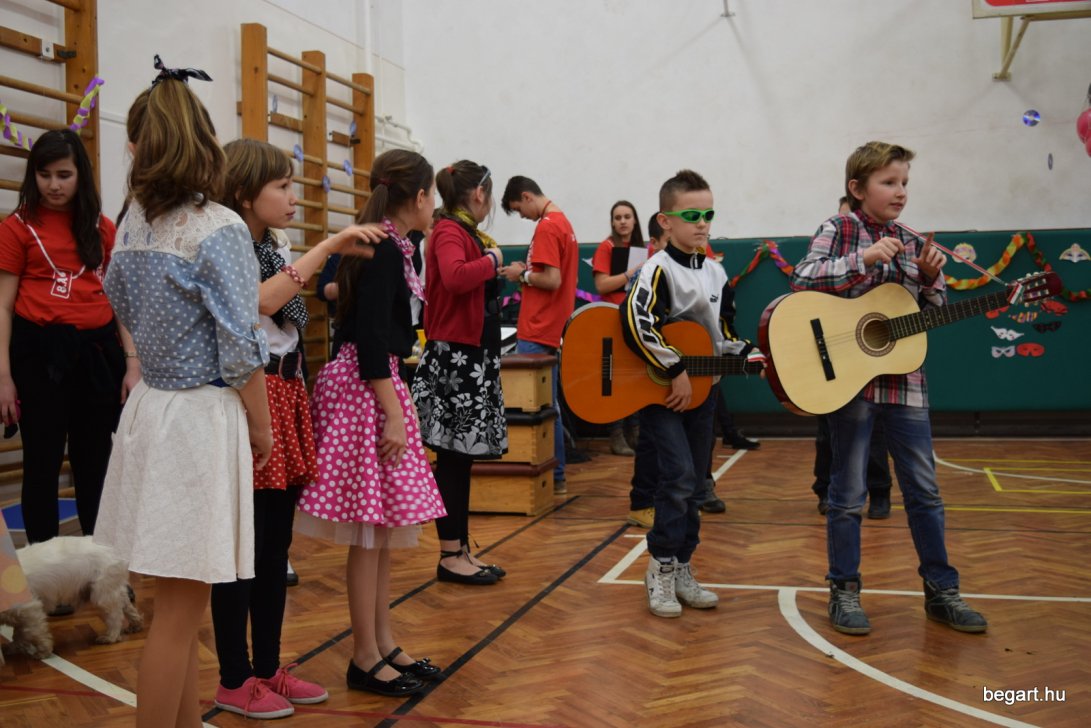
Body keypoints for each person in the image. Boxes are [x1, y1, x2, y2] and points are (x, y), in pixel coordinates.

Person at [92, 61, 273, 728]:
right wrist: (262, 427)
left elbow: (118, 302)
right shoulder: (218, 226)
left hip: (154, 408)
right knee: (177, 613)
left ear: (140, 144)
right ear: (203, 139)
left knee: (180, 601)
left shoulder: (132, 223)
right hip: (199, 416)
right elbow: (240, 348)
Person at [210, 138, 386, 717]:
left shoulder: (274, 245)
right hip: (249, 396)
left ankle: (266, 668)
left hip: (285, 393)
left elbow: (284, 319)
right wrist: (329, 246)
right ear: (244, 193)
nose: (292, 197)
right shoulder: (227, 244)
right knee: (245, 547)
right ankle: (234, 678)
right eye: (281, 186)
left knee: (274, 548)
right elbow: (263, 302)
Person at [790, 141, 986, 636]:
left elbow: (930, 313)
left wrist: (931, 279)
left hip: (906, 384)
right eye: (889, 182)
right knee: (847, 493)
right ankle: (844, 591)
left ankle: (942, 592)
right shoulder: (839, 229)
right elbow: (802, 277)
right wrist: (863, 257)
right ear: (857, 189)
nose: (900, 192)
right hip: (851, 384)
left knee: (925, 491)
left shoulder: (912, 239)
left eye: (904, 183)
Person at [295, 149, 447, 698]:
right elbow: (370, 343)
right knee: (367, 534)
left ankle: (383, 643)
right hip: (369, 388)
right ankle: (364, 656)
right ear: (420, 196)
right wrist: (394, 415)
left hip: (376, 384)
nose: (434, 206)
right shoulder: (382, 249)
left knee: (379, 533)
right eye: (432, 197)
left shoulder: (392, 245)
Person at [621, 170, 762, 618]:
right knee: (679, 476)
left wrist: (750, 354)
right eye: (692, 216)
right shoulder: (656, 270)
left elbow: (722, 334)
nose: (702, 224)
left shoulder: (717, 272)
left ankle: (683, 566)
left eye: (708, 215)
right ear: (665, 221)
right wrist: (675, 367)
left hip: (706, 393)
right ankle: (660, 567)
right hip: (662, 394)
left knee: (697, 483)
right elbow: (637, 322)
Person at [0, 129, 138, 548]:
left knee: (95, 464)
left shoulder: (102, 228)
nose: (54, 185)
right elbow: (3, 306)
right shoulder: (17, 228)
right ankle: (44, 569)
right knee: (41, 464)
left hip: (97, 355)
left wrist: (132, 363)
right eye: (44, 175)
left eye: (64, 175)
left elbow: (119, 302)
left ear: (81, 176)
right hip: (39, 357)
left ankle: (100, 566)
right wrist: (4, 377)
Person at [411, 160, 507, 586]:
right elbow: (454, 277)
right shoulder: (450, 230)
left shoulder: (462, 231)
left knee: (460, 459)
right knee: (452, 460)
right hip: (456, 361)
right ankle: (450, 554)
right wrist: (492, 259)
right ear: (479, 193)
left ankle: (461, 548)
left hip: (471, 357)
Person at [810, 196, 893, 519]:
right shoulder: (829, 251)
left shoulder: (885, 251)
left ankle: (880, 491)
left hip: (868, 358)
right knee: (827, 432)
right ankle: (825, 490)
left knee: (875, 429)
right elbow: (807, 286)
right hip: (830, 352)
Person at [499, 176, 578, 494]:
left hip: (539, 326)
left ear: (527, 196)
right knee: (548, 403)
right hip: (549, 325)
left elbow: (552, 280)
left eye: (520, 209)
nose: (523, 216)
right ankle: (555, 474)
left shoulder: (547, 226)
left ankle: (554, 474)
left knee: (541, 405)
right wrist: (528, 273)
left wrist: (522, 274)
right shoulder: (563, 223)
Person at [592, 200, 645, 456]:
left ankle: (635, 432)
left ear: (634, 220)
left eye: (627, 216)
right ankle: (616, 435)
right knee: (616, 377)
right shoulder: (607, 247)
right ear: (612, 222)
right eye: (617, 217)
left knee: (635, 375)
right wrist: (630, 273)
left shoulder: (643, 248)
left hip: (636, 317)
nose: (622, 221)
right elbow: (601, 285)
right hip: (612, 317)